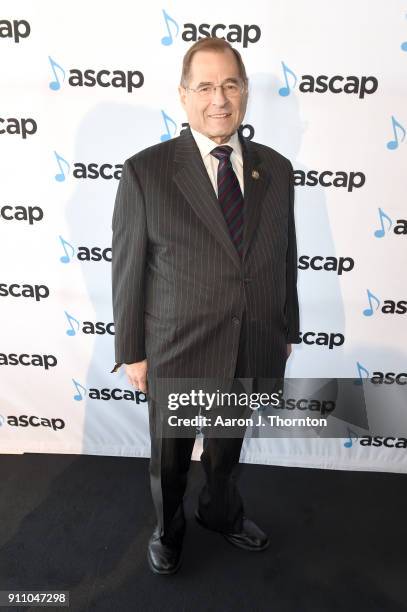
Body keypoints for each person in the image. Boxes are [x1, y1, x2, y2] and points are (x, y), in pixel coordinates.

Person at [111, 37, 300, 575]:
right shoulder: (146, 171)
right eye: (205, 86)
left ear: (244, 92)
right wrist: (132, 351)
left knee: (226, 452)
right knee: (170, 461)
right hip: (178, 347)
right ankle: (168, 530)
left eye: (230, 85)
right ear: (183, 94)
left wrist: (286, 327)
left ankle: (221, 513)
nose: (219, 99)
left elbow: (286, 252)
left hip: (250, 341)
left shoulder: (277, 168)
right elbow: (127, 271)